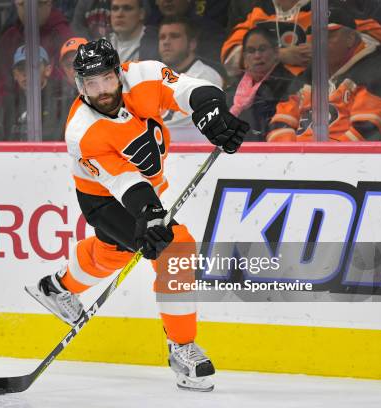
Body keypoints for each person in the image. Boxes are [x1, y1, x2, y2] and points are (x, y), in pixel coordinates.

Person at [24, 39, 248, 391]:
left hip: (143, 192)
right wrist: (149, 215)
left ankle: (55, 287)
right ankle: (182, 348)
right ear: (79, 85)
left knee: (114, 251)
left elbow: (195, 91)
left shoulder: (143, 76)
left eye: (105, 79)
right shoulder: (82, 131)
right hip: (105, 199)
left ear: (119, 72)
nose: (99, 91)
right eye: (89, 83)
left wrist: (213, 115)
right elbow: (123, 182)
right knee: (175, 249)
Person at [267, 8, 381, 142]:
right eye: (315, 37)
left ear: (350, 39)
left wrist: (321, 160)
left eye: (328, 36)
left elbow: (366, 132)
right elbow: (281, 121)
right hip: (297, 158)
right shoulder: (311, 73)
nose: (319, 43)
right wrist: (289, 156)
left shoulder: (373, 72)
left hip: (343, 160)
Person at [221, 0, 381, 78]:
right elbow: (230, 59)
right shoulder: (259, 11)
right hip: (261, 98)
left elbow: (375, 36)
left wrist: (324, 51)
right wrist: (279, 54)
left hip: (315, 95)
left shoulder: (329, 7)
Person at [0, 0, 74, 111]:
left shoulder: (64, 36)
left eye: (38, 4)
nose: (29, 11)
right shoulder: (9, 38)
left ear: (49, 4)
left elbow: (67, 86)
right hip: (13, 114)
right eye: (22, 5)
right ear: (16, 6)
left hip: (54, 114)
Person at [225, 26, 295, 141]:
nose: (257, 56)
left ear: (276, 52)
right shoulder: (232, 89)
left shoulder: (288, 85)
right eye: (251, 51)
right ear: (244, 57)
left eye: (262, 49)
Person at [0, 45, 63, 140]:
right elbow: (0, 141)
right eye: (21, 68)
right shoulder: (8, 104)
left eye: (33, 67)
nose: (26, 73)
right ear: (15, 75)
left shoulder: (61, 100)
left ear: (48, 70)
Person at [58, 37, 89, 129]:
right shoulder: (58, 101)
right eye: (68, 65)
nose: (74, 69)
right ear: (63, 70)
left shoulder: (107, 91)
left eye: (79, 61)